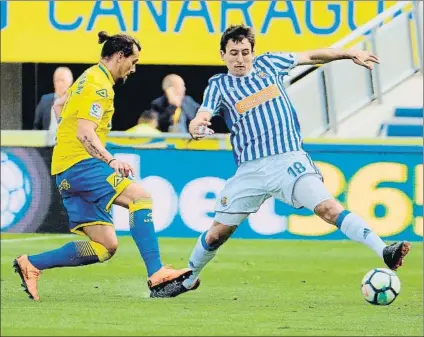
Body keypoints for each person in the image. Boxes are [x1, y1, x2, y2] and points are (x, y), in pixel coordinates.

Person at [178, 24, 411, 295]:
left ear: (254, 53)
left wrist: (349, 54)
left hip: (289, 162)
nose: (239, 59)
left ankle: (384, 250)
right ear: (222, 55)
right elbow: (204, 113)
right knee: (217, 233)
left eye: (245, 52)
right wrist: (196, 125)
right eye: (233, 53)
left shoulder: (270, 64)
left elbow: (312, 57)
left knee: (328, 209)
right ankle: (187, 278)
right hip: (250, 170)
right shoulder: (219, 85)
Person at [13, 31, 193, 301]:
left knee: (104, 246)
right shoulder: (99, 85)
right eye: (133, 61)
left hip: (66, 168)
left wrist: (68, 134)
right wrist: (110, 159)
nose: (134, 68)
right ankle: (156, 273)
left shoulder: (88, 76)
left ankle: (32, 264)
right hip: (81, 164)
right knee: (140, 197)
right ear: (120, 56)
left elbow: (60, 105)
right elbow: (85, 133)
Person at [33, 67, 73, 132]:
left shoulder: (77, 101)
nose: (59, 83)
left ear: (70, 82)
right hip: (48, 141)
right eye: (57, 80)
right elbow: (36, 127)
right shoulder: (45, 100)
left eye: (62, 80)